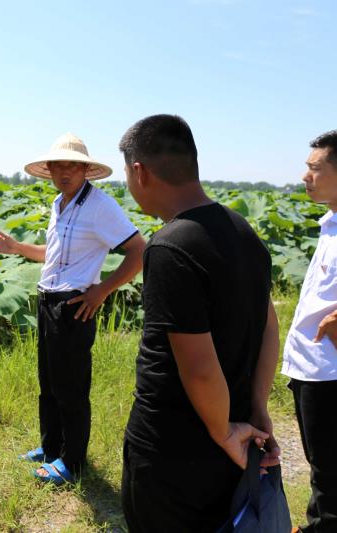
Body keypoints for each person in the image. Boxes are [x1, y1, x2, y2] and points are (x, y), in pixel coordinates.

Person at [118, 114, 281, 531]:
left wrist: (222, 430)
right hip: (234, 433)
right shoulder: (245, 233)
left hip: (177, 447)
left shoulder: (170, 246)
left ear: (139, 171)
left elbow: (199, 367)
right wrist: (256, 407)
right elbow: (269, 326)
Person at [0, 133, 145, 484]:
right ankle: (51, 447)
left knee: (71, 387)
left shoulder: (100, 206)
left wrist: (102, 290)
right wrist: (15, 247)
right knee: (49, 382)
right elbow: (53, 255)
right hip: (48, 301)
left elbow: (139, 250)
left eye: (71, 164)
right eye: (57, 165)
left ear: (86, 169)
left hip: (75, 306)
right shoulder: (60, 203)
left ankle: (72, 462)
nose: (63, 171)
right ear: (50, 170)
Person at [282, 130, 337, 533]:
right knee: (322, 463)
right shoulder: (330, 222)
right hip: (311, 365)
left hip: (329, 369)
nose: (306, 176)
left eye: (315, 168)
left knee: (330, 471)